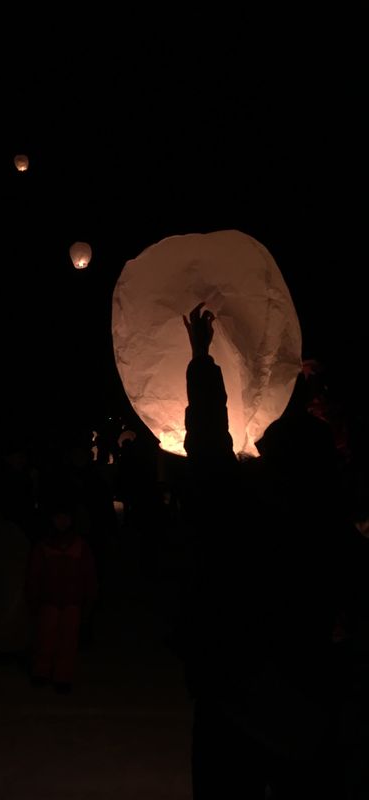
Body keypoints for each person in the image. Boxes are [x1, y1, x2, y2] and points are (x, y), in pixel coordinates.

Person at [178, 302, 351, 799]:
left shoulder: (241, 514)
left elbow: (209, 446)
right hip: (307, 710)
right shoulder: (331, 532)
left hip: (235, 702)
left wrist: (201, 359)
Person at [24, 491, 97, 694]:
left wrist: (88, 601)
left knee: (68, 640)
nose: (62, 522)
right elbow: (34, 575)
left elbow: (88, 576)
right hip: (49, 600)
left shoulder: (80, 546)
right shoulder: (44, 547)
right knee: (45, 637)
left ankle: (63, 676)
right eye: (58, 518)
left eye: (66, 518)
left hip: (72, 602)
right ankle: (42, 671)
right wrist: (33, 599)